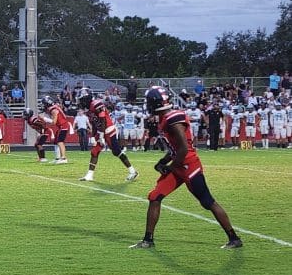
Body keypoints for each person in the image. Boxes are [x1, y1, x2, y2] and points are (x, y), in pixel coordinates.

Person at [130, 86, 242, 249]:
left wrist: (170, 167)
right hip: (178, 165)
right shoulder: (164, 118)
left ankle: (234, 238)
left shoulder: (172, 118)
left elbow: (183, 149)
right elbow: (174, 149)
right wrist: (163, 162)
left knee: (207, 201)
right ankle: (148, 240)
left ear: (156, 103)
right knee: (155, 196)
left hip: (189, 165)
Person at [77, 90, 139, 182]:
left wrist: (101, 136)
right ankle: (89, 175)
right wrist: (94, 136)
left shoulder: (96, 104)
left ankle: (133, 171)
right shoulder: (89, 109)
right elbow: (94, 123)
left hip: (108, 130)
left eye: (82, 100)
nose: (81, 102)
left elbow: (103, 120)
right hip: (100, 131)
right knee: (94, 151)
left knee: (116, 152)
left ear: (86, 98)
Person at [41, 95, 70, 164]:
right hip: (61, 126)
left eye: (44, 104)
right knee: (56, 142)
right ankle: (57, 158)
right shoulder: (54, 108)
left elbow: (54, 122)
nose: (43, 105)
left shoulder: (54, 110)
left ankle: (63, 158)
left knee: (60, 142)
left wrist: (44, 119)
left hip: (63, 126)